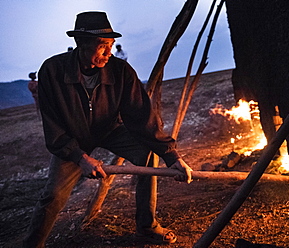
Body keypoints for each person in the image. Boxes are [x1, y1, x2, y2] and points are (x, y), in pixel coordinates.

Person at [23, 11, 192, 248]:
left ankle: (147, 227)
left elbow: (142, 117)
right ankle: (32, 244)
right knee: (53, 195)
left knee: (147, 154)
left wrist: (172, 156)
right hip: (72, 139)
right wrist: (79, 157)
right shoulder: (52, 71)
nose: (108, 52)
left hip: (110, 130)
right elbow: (53, 127)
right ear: (81, 43)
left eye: (111, 45)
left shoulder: (120, 71)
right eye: (102, 46)